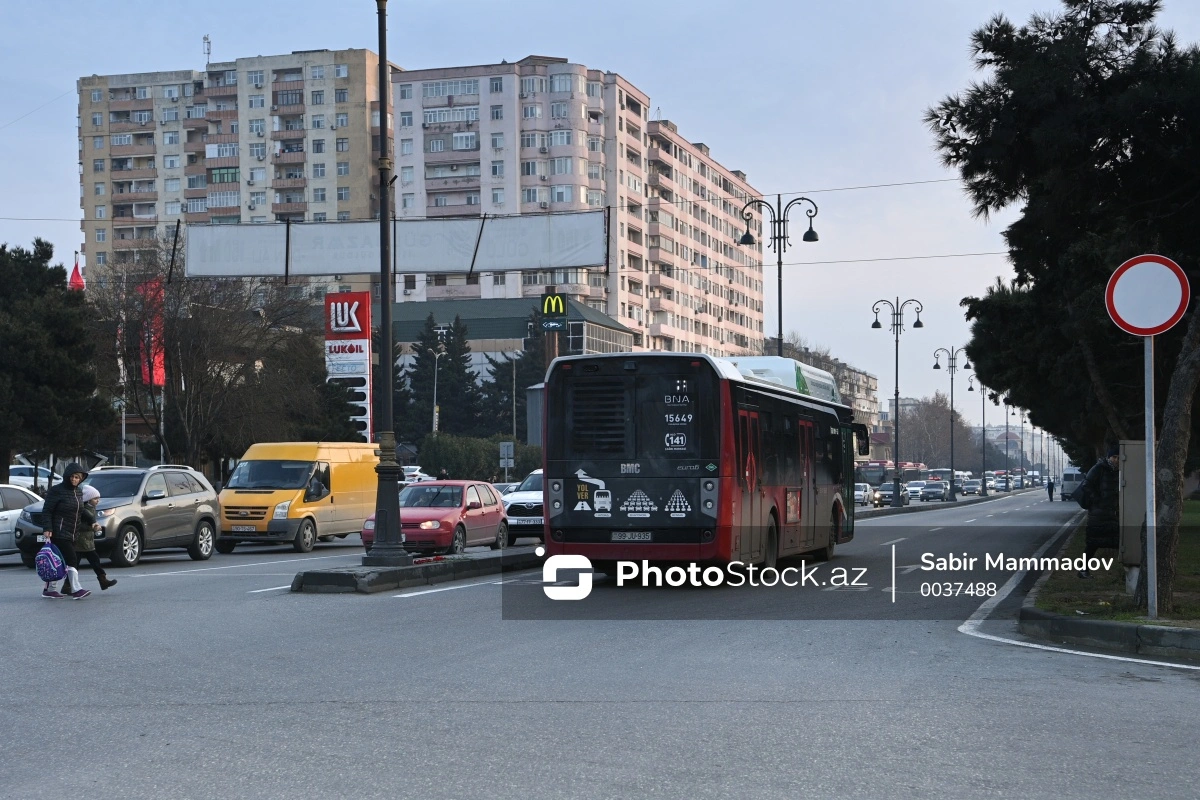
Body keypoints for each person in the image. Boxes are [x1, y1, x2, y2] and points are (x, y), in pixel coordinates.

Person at [41, 463, 92, 599]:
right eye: (73, 477)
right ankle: (76, 589)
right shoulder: (57, 490)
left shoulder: (78, 492)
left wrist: (93, 521)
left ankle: (49, 589)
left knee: (58, 561)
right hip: (59, 531)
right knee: (71, 559)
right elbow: (47, 510)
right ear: (67, 477)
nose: (75, 479)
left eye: (78, 477)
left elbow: (80, 510)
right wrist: (47, 528)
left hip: (73, 532)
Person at [1078, 446, 1120, 578]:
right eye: (1114, 457)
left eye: (1118, 457)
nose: (1116, 460)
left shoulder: (1119, 471)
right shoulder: (1099, 468)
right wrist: (1097, 500)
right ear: (1109, 457)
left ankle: (1129, 569)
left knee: (1118, 540)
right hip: (1098, 513)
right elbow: (1086, 485)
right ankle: (1083, 570)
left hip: (1111, 512)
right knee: (1093, 543)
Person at [78, 485, 117, 590]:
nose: (97, 501)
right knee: (88, 561)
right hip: (81, 540)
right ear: (88, 499)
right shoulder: (83, 510)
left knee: (86, 562)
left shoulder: (91, 508)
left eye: (98, 498)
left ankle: (103, 581)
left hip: (87, 540)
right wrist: (92, 527)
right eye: (95, 499)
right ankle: (103, 581)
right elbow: (78, 525)